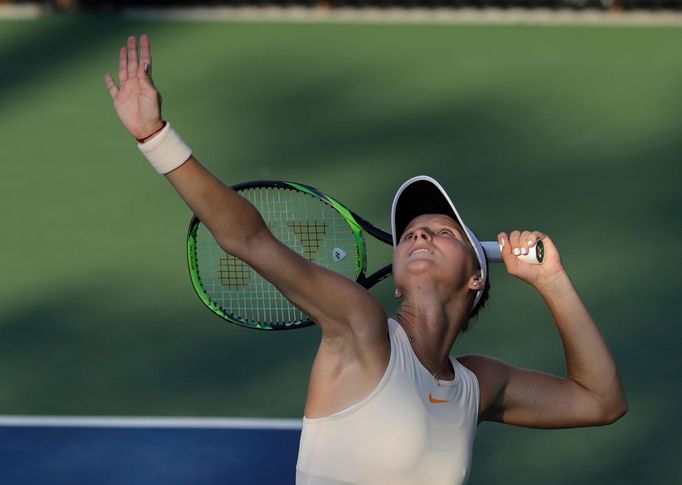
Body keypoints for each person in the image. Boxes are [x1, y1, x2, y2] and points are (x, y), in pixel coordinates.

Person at [105, 35, 627, 485]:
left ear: (475, 277)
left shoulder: (476, 385)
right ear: (396, 279)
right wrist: (156, 138)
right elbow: (250, 240)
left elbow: (600, 402)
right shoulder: (362, 329)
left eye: (442, 231)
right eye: (411, 233)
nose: (419, 232)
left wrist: (552, 280)